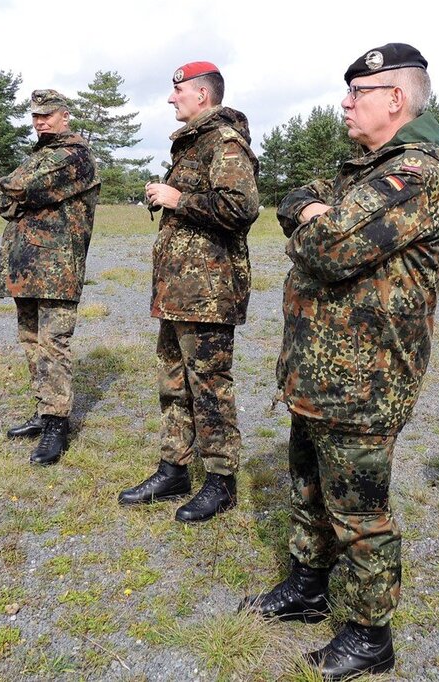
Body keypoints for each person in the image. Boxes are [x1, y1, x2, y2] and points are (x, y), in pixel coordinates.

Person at [237, 43, 439, 680]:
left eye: (357, 93)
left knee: (360, 511)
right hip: (320, 369)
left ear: (395, 99)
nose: (344, 104)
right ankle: (309, 584)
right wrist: (314, 209)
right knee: (308, 485)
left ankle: (369, 634)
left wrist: (317, 216)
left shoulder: (416, 173)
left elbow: (332, 247)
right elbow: (293, 198)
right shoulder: (365, 169)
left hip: (367, 374)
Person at [117, 61, 259, 523]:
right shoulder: (193, 144)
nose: (170, 98)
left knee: (210, 386)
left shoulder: (225, 141)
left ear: (203, 95)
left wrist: (179, 199)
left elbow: (241, 206)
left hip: (209, 292)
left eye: (178, 91)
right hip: (179, 290)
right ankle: (174, 468)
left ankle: (221, 482)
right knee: (173, 384)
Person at [0, 89, 100, 466]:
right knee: (30, 340)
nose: (40, 122)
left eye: (47, 115)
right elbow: (5, 202)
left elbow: (21, 187)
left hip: (57, 267)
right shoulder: (38, 156)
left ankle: (57, 423)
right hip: (25, 264)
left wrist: (17, 186)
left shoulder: (76, 155)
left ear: (65, 116)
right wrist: (15, 188)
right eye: (36, 116)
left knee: (53, 343)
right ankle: (44, 411)